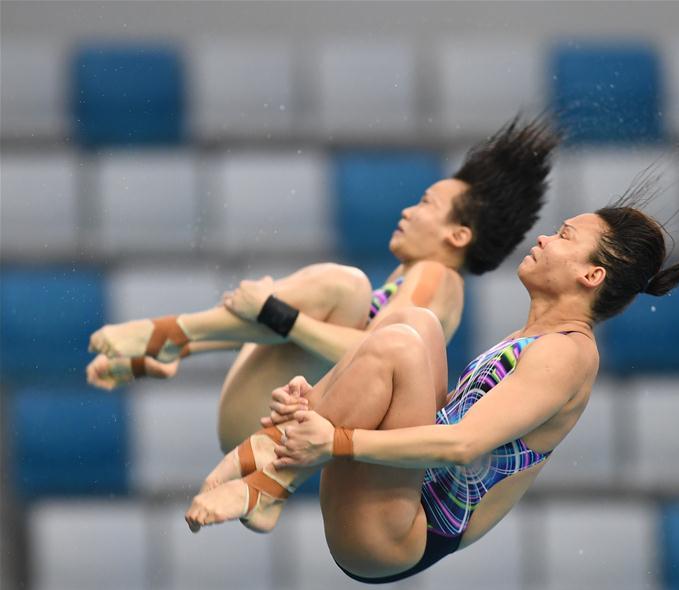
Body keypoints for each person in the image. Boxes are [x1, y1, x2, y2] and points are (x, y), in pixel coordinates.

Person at [185, 202, 679, 582]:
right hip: (400, 495)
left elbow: (461, 445)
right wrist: (331, 393)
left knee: (402, 339)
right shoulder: (533, 337)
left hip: (402, 533)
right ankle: (271, 468)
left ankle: (268, 479)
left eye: (563, 236)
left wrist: (336, 441)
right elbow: (438, 417)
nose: (543, 237)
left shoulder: (569, 352)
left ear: (592, 275)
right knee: (412, 325)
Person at [86, 117, 559, 450]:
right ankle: (171, 344)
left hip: (272, 432)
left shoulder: (438, 279)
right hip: (265, 418)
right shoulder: (413, 277)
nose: (407, 211)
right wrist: (261, 321)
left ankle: (168, 336)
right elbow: (297, 340)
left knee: (344, 285)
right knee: (338, 292)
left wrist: (275, 311)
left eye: (425, 204)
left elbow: (373, 354)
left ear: (457, 236)